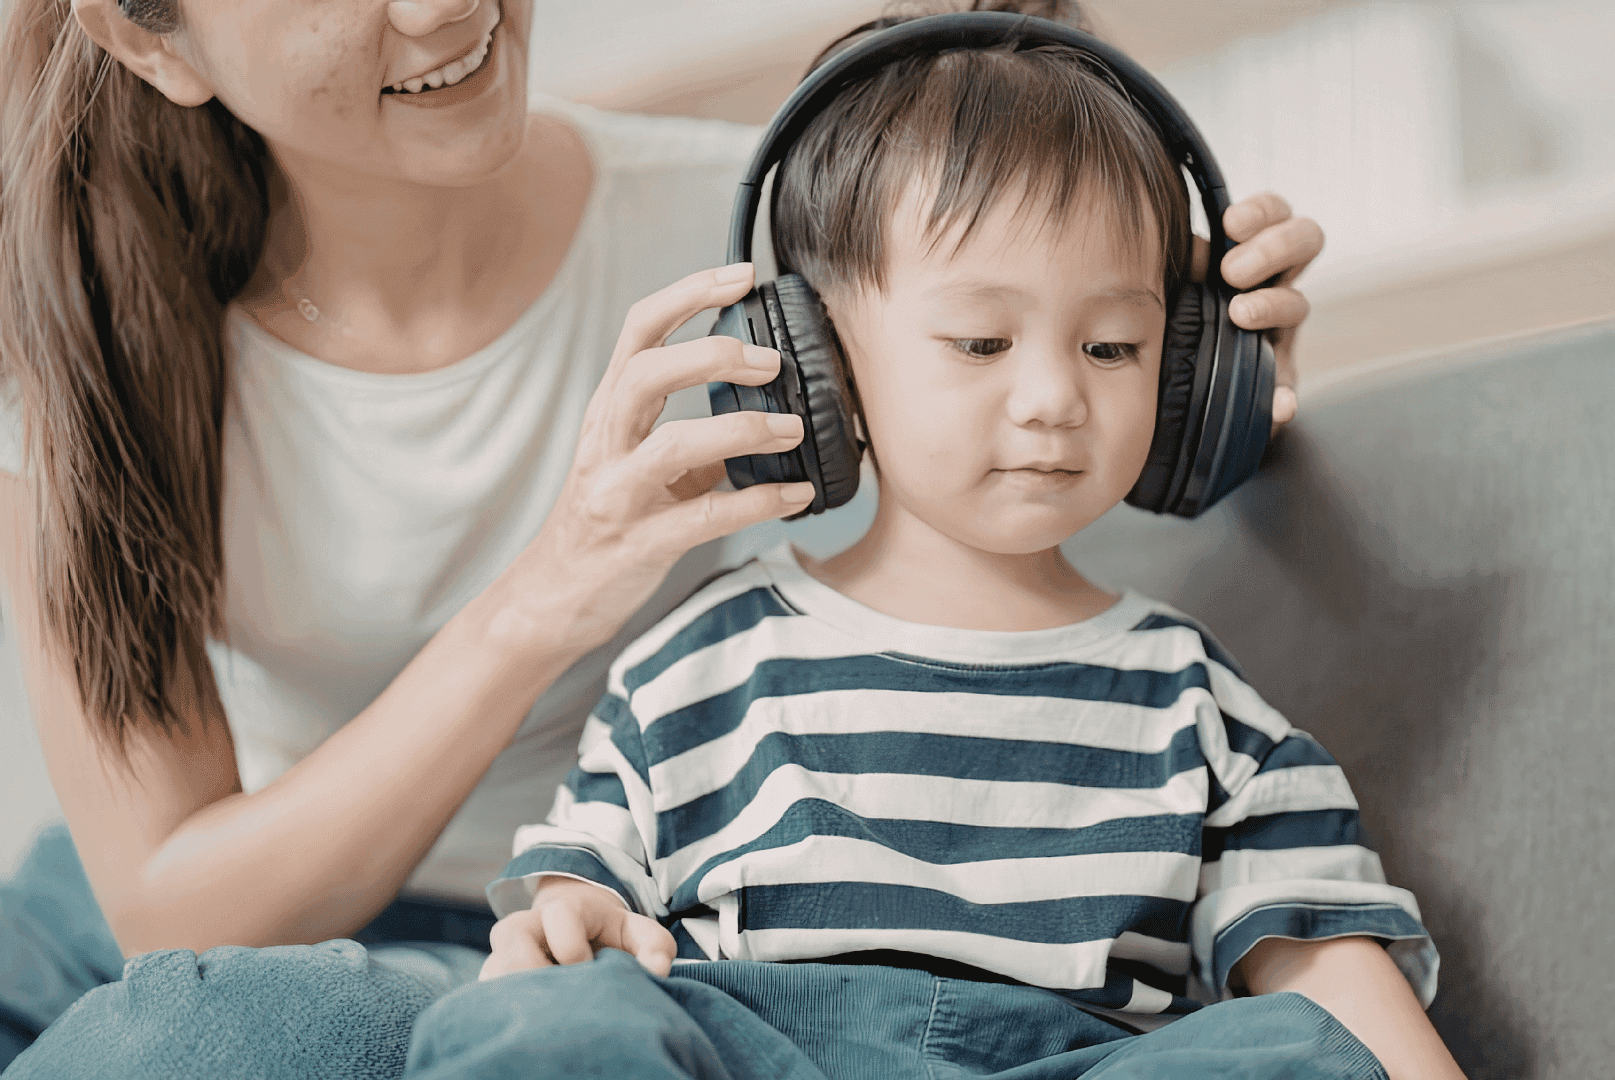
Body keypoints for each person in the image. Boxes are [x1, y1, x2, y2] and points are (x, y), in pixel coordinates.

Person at [0, 0, 1320, 1074]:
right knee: (161, 1034)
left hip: (609, 932)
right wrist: (548, 594)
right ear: (151, 40)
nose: (446, 7)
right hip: (240, 919)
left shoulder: (759, 245)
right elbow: (169, 914)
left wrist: (1193, 359)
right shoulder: (82, 346)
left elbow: (1049, 420)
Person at [439, 11, 1466, 1080]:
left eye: (1113, 345)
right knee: (523, 1020)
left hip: (1069, 1061)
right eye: (981, 340)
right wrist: (571, 927)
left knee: (1296, 1053)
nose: (1054, 398)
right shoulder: (695, 664)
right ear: (814, 361)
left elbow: (1335, 987)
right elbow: (585, 889)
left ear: (1186, 375)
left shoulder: (1195, 704)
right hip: (764, 1050)